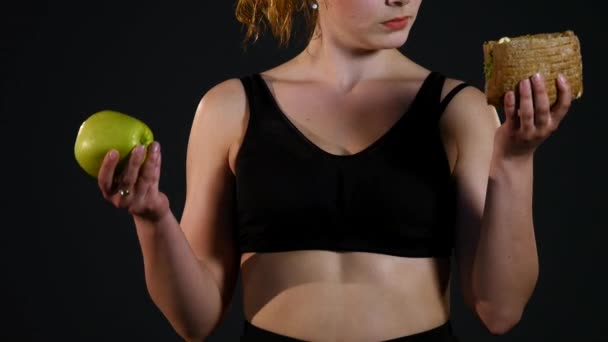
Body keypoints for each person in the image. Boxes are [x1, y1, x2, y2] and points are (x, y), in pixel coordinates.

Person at [96, 0, 573, 341]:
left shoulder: (459, 109)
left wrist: (514, 160)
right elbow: (194, 320)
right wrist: (153, 218)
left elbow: (500, 310)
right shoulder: (229, 109)